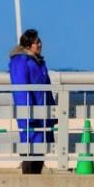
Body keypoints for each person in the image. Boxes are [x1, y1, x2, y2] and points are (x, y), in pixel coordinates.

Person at [8, 28, 55, 175]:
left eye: (40, 42)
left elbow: (47, 89)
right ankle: (28, 183)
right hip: (31, 114)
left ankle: (35, 181)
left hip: (42, 114)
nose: (40, 44)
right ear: (28, 45)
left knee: (40, 151)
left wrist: (52, 111)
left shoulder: (39, 62)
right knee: (30, 150)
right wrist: (27, 112)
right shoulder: (20, 61)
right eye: (36, 42)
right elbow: (21, 89)